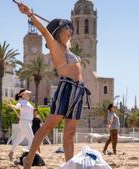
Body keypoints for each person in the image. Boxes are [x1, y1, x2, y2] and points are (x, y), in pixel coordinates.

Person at [17, 2, 91, 168]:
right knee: (48, 126)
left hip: (79, 91)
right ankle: (29, 160)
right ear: (58, 32)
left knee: (70, 132)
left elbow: (68, 34)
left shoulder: (68, 48)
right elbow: (44, 31)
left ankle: (69, 165)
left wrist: (67, 24)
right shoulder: (55, 46)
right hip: (67, 88)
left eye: (71, 28)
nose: (71, 30)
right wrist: (30, 14)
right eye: (67, 28)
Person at [7, 89, 35, 161]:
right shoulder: (21, 101)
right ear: (22, 95)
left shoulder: (27, 102)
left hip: (27, 122)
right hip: (25, 122)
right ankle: (29, 154)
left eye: (29, 93)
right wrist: (11, 105)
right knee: (32, 139)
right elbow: (17, 107)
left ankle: (11, 153)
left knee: (19, 139)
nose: (29, 94)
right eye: (27, 93)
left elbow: (25, 111)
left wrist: (21, 115)